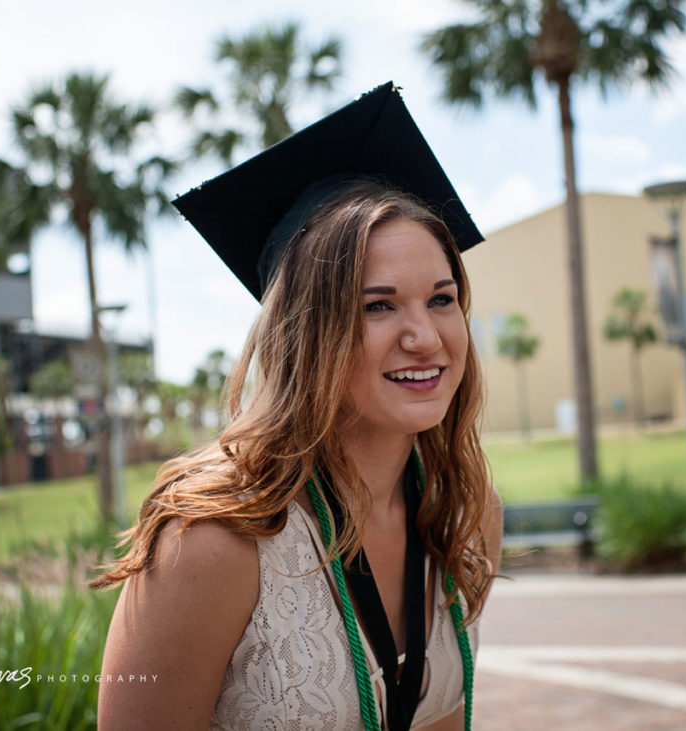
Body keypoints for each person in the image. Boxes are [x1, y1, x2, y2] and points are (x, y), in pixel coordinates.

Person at [92, 82, 503, 731]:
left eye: (442, 298)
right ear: (307, 332)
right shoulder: (216, 538)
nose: (424, 334)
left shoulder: (461, 512)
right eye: (378, 304)